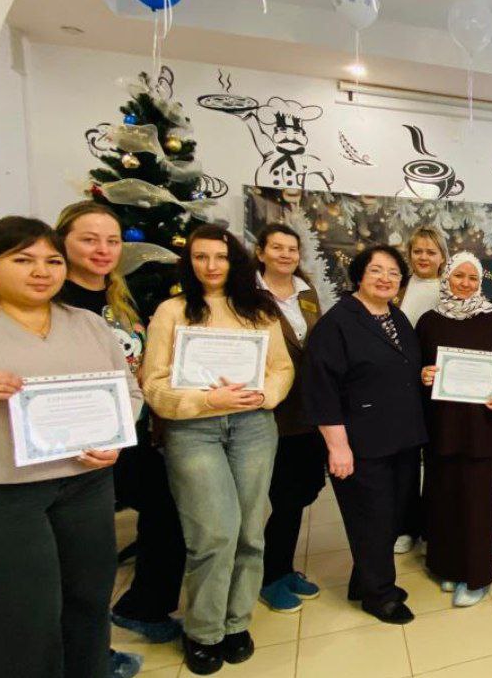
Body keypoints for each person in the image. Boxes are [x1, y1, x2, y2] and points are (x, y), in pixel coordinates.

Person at [0, 216, 142, 678]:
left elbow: (129, 392)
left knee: (88, 603)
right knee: (23, 618)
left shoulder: (87, 324)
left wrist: (116, 438)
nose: (41, 271)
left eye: (52, 261)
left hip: (84, 486)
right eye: (23, 260)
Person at [140, 225, 294, 675]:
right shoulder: (171, 311)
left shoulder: (258, 309)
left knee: (250, 530)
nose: (211, 266)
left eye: (221, 257)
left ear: (235, 261)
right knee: (214, 533)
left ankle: (236, 622)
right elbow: (153, 383)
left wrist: (264, 395)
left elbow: (282, 368)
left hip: (253, 427)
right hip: (194, 430)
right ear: (188, 262)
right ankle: (203, 631)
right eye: (201, 257)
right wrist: (205, 401)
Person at [55, 201, 174, 677]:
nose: (102, 250)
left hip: (132, 434)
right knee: (82, 556)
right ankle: (83, 656)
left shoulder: (119, 297)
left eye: (112, 240)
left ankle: (143, 606)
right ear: (62, 241)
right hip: (78, 446)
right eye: (89, 239)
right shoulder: (54, 300)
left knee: (166, 513)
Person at [302, 245, 428, 625]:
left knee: (391, 516)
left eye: (393, 273)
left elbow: (403, 368)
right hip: (362, 443)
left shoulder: (395, 317)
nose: (385, 278)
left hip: (402, 438)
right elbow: (321, 390)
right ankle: (380, 596)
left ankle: (364, 581)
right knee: (371, 519)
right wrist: (337, 447)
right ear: (359, 275)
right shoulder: (338, 323)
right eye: (376, 270)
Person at [417, 252, 492, 607]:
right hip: (442, 425)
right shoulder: (429, 321)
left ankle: (477, 576)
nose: (465, 283)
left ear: (480, 282)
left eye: (472, 278)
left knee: (477, 503)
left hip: (482, 427)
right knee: (443, 497)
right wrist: (422, 375)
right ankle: (446, 565)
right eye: (458, 276)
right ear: (446, 278)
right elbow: (416, 368)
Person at [252, 224, 327, 614]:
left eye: (291, 249)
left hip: (306, 409)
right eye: (277, 248)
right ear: (261, 252)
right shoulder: (247, 294)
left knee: (300, 493)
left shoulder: (306, 292)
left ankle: (281, 567)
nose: (285, 255)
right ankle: (268, 576)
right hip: (267, 410)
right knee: (281, 496)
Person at [394, 226, 449, 554]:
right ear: (409, 254)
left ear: (442, 256)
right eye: (418, 251)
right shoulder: (397, 288)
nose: (424, 257)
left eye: (431, 252)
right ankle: (406, 526)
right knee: (406, 460)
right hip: (402, 388)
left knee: (439, 458)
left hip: (442, 385)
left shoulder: (451, 289)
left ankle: (434, 525)